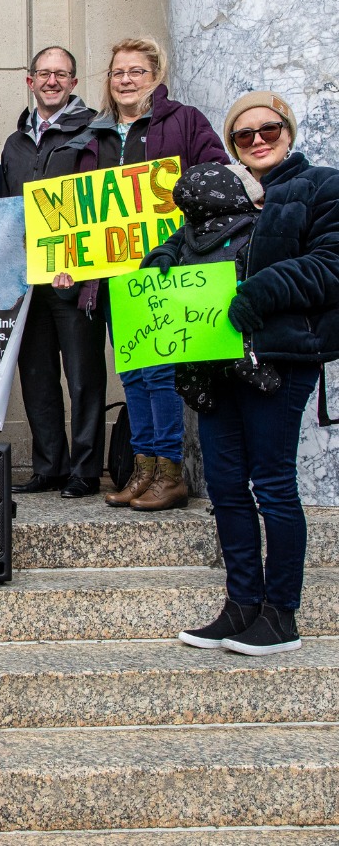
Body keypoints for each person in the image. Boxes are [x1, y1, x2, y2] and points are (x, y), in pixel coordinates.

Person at [147, 91, 339, 655]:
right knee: (227, 488)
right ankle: (240, 605)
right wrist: (157, 266)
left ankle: (281, 616)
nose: (258, 140)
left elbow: (331, 264)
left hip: (279, 358)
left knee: (273, 485)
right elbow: (179, 245)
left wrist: (263, 290)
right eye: (243, 134)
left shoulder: (321, 186)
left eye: (268, 128)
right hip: (213, 363)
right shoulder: (223, 196)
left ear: (288, 129)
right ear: (231, 143)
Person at [93, 38, 229, 510]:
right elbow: (80, 212)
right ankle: (143, 468)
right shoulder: (98, 135)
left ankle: (170, 471)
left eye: (136, 71)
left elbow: (217, 174)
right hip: (114, 274)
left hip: (168, 269)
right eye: (118, 73)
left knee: (160, 371)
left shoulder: (184, 120)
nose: (126, 80)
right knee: (131, 372)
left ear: (154, 76)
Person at [2, 47, 119, 499]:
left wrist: (83, 264)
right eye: (43, 74)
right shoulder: (14, 143)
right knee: (36, 376)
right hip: (28, 280)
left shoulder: (94, 132)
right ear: (30, 81)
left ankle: (86, 470)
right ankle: (50, 465)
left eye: (61, 74)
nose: (52, 81)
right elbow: (6, 209)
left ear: (73, 82)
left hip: (75, 278)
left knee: (84, 376)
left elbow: (104, 201)